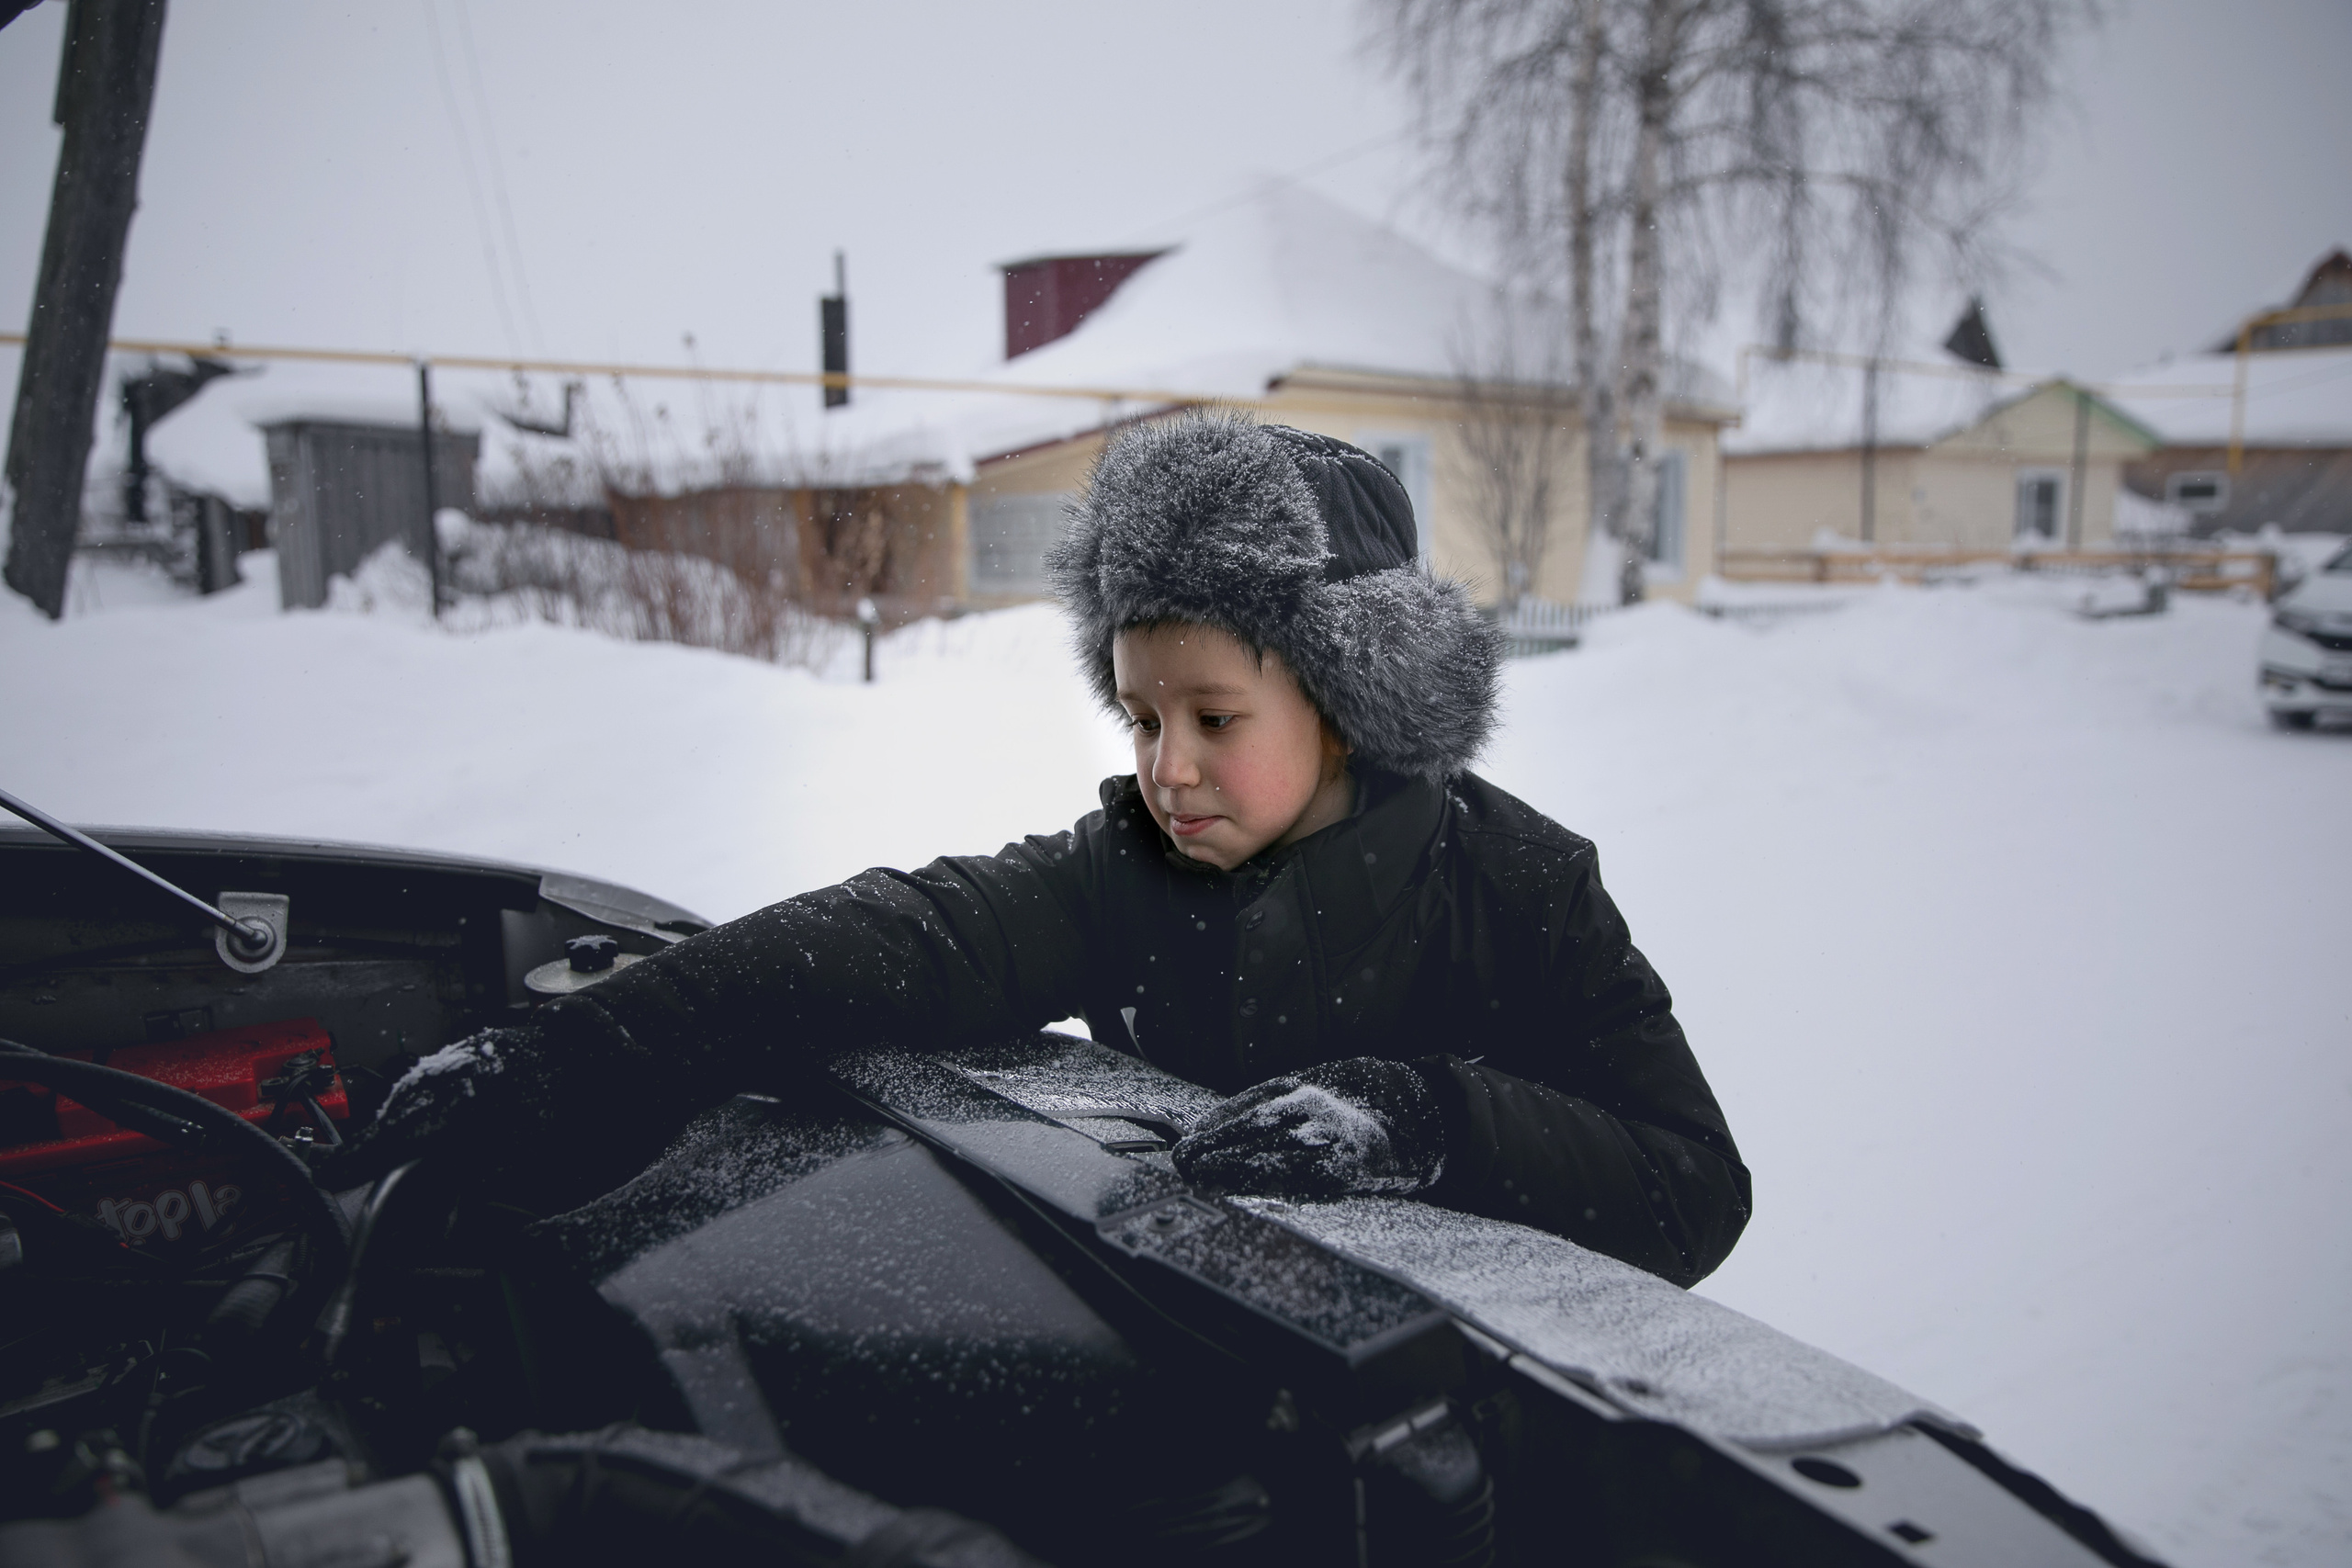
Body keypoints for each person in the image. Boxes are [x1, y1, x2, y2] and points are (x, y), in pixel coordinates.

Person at [328, 415, 1748, 1287]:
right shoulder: (1133, 868)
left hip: (1467, 1431)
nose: (1165, 767)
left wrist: (1427, 1117)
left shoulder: (1521, 892)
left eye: (1213, 716)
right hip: (1218, 1355)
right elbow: (907, 936)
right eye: (1139, 716)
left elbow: (1694, 1187)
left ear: (1353, 697)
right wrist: (576, 1058)